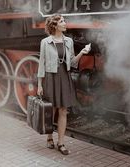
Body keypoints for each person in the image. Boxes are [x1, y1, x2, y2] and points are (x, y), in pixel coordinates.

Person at [37, 14, 90, 155]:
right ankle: (49, 138)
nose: (65, 23)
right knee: (52, 109)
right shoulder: (45, 42)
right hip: (50, 76)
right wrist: (39, 85)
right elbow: (41, 64)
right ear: (54, 25)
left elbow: (72, 62)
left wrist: (82, 53)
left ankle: (61, 143)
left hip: (64, 76)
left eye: (64, 21)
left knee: (62, 110)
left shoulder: (69, 41)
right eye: (62, 21)